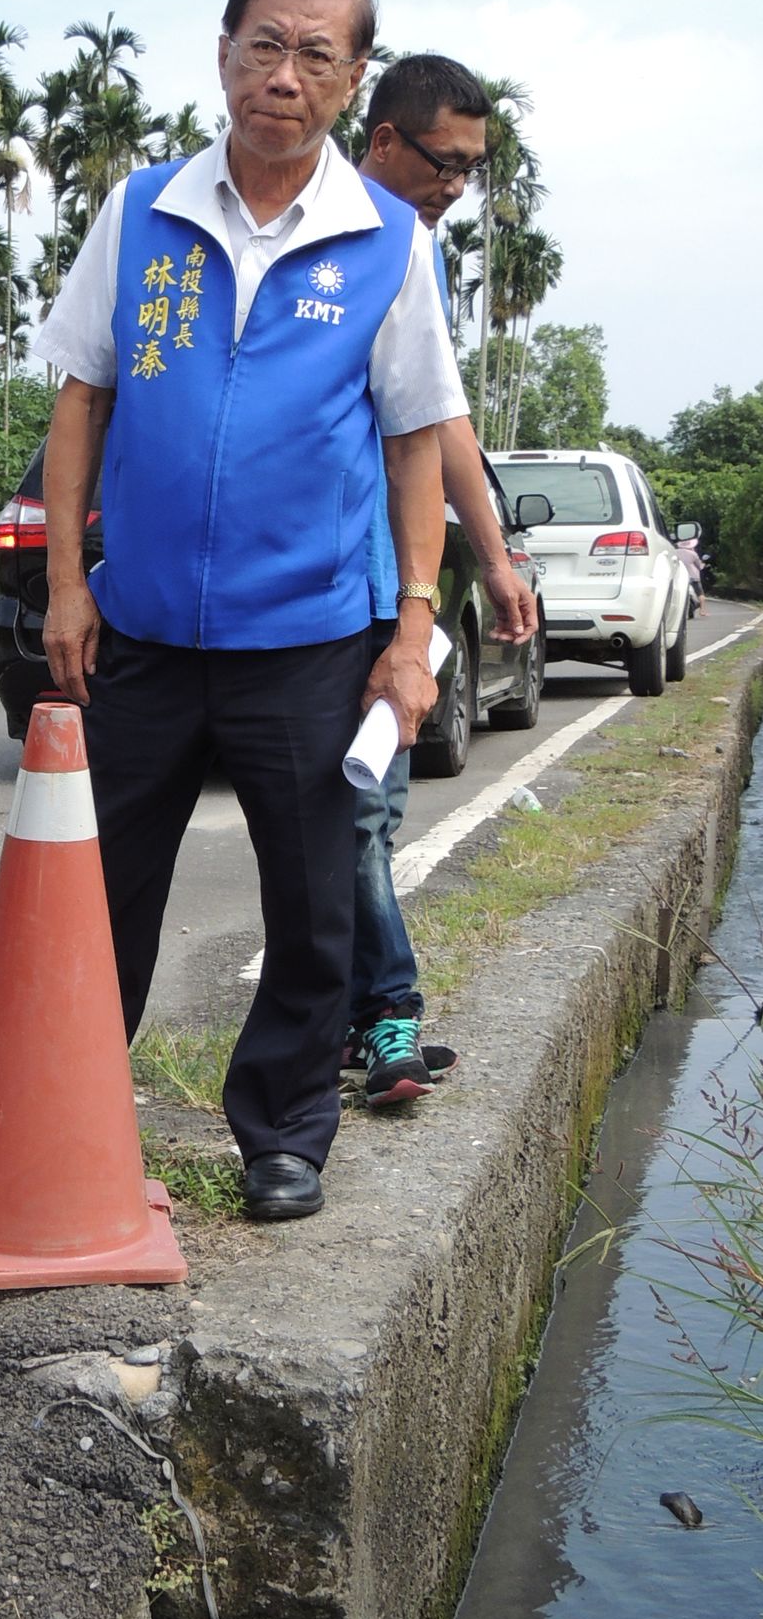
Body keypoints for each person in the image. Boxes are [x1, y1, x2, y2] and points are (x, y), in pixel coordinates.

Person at [36, 0, 468, 1223]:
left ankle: (283, 1133)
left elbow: (411, 445)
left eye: (317, 56)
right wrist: (70, 584)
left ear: (350, 83)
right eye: (263, 45)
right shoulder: (143, 210)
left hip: (311, 639)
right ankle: (65, 1117)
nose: (284, 76)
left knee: (314, 897)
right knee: (99, 889)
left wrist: (412, 628)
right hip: (146, 633)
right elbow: (81, 400)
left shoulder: (386, 242)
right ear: (222, 52)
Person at [349, 55, 538, 1106]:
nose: (454, 186)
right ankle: (375, 1010)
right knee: (344, 820)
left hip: (390, 588)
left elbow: (440, 424)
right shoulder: (324, 238)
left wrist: (494, 556)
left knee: (363, 814)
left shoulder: (406, 253)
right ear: (383, 140)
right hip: (304, 587)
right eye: (444, 162)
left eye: (471, 170)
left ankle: (375, 1012)